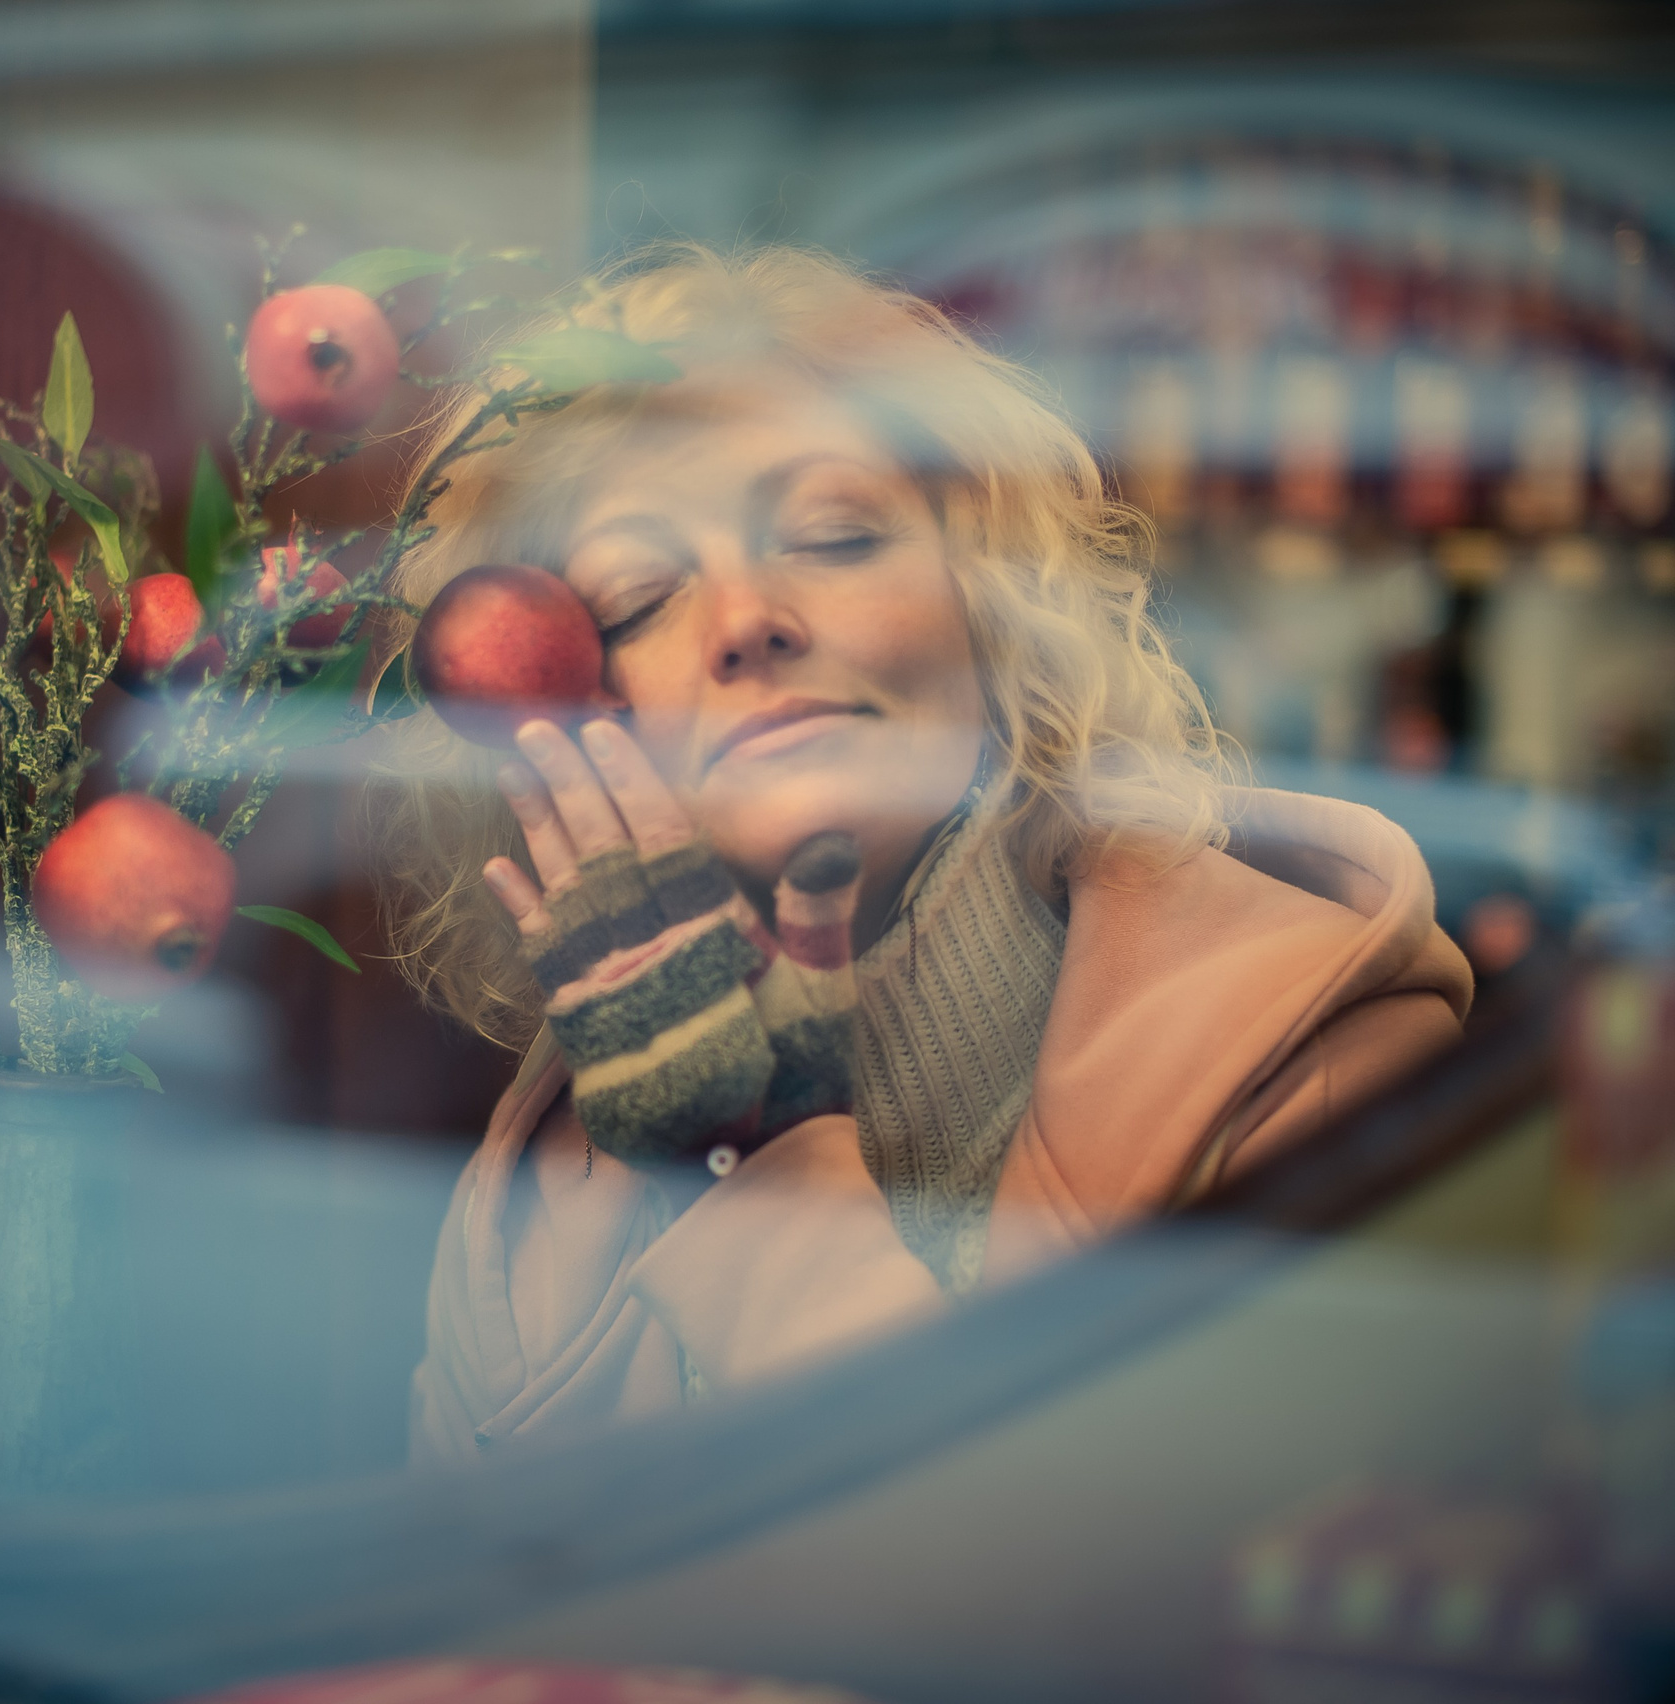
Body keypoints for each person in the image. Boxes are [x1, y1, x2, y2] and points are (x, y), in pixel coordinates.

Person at [368, 244, 1473, 1462]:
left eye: (834, 538)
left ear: (983, 596)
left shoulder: (1306, 1057)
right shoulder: (537, 1208)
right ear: (564, 725)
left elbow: (1075, 1607)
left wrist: (764, 1166)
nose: (747, 623)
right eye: (636, 599)